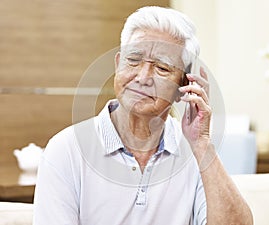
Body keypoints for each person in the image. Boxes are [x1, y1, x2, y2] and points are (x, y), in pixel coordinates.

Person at [33, 6, 253, 225]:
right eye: (134, 59)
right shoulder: (66, 149)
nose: (143, 77)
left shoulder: (195, 152)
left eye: (163, 68)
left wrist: (202, 144)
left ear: (183, 86)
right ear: (118, 64)